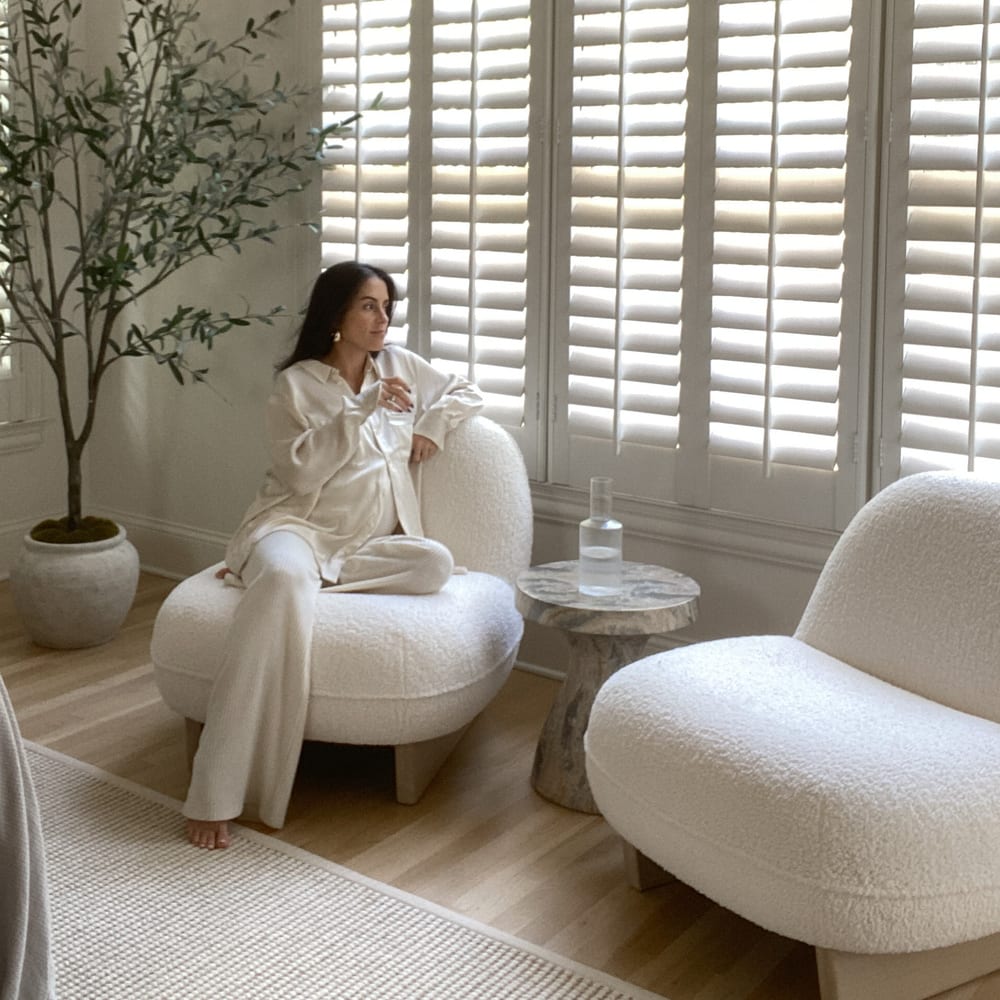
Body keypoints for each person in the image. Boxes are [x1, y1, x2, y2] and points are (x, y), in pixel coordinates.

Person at [184, 261, 483, 849]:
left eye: (387, 306)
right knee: (286, 582)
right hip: (295, 528)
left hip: (362, 551)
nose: (383, 318)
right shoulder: (295, 385)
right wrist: (362, 408)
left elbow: (465, 391)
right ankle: (214, 791)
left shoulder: (400, 366)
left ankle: (275, 576)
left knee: (435, 564)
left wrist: (433, 426)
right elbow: (299, 474)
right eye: (369, 306)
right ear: (337, 316)